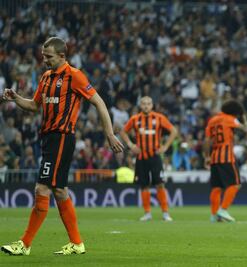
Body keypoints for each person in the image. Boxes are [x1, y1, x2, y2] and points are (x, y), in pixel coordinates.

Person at [1, 37, 124, 256]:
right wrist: (15, 98)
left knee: (42, 188)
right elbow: (33, 106)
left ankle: (24, 244)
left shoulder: (75, 76)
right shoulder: (46, 78)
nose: (44, 60)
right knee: (59, 191)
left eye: (48, 56)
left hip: (62, 137)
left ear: (62, 56)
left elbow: (99, 103)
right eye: (43, 55)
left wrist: (109, 134)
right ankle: (77, 243)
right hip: (48, 139)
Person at [120, 96, 178, 222]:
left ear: (152, 105)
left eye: (148, 103)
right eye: (144, 103)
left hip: (155, 156)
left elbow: (173, 131)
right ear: (140, 105)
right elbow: (123, 131)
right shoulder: (135, 119)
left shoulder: (159, 118)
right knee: (144, 185)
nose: (146, 106)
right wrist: (131, 145)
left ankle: (165, 213)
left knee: (160, 184)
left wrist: (165, 146)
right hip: (141, 157)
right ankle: (147, 213)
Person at [204, 99, 247, 222]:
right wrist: (243, 116)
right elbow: (246, 129)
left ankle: (214, 215)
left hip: (214, 158)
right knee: (235, 184)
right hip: (227, 157)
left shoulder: (212, 121)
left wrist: (207, 156)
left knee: (216, 187)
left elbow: (207, 141)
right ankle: (223, 210)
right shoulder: (230, 119)